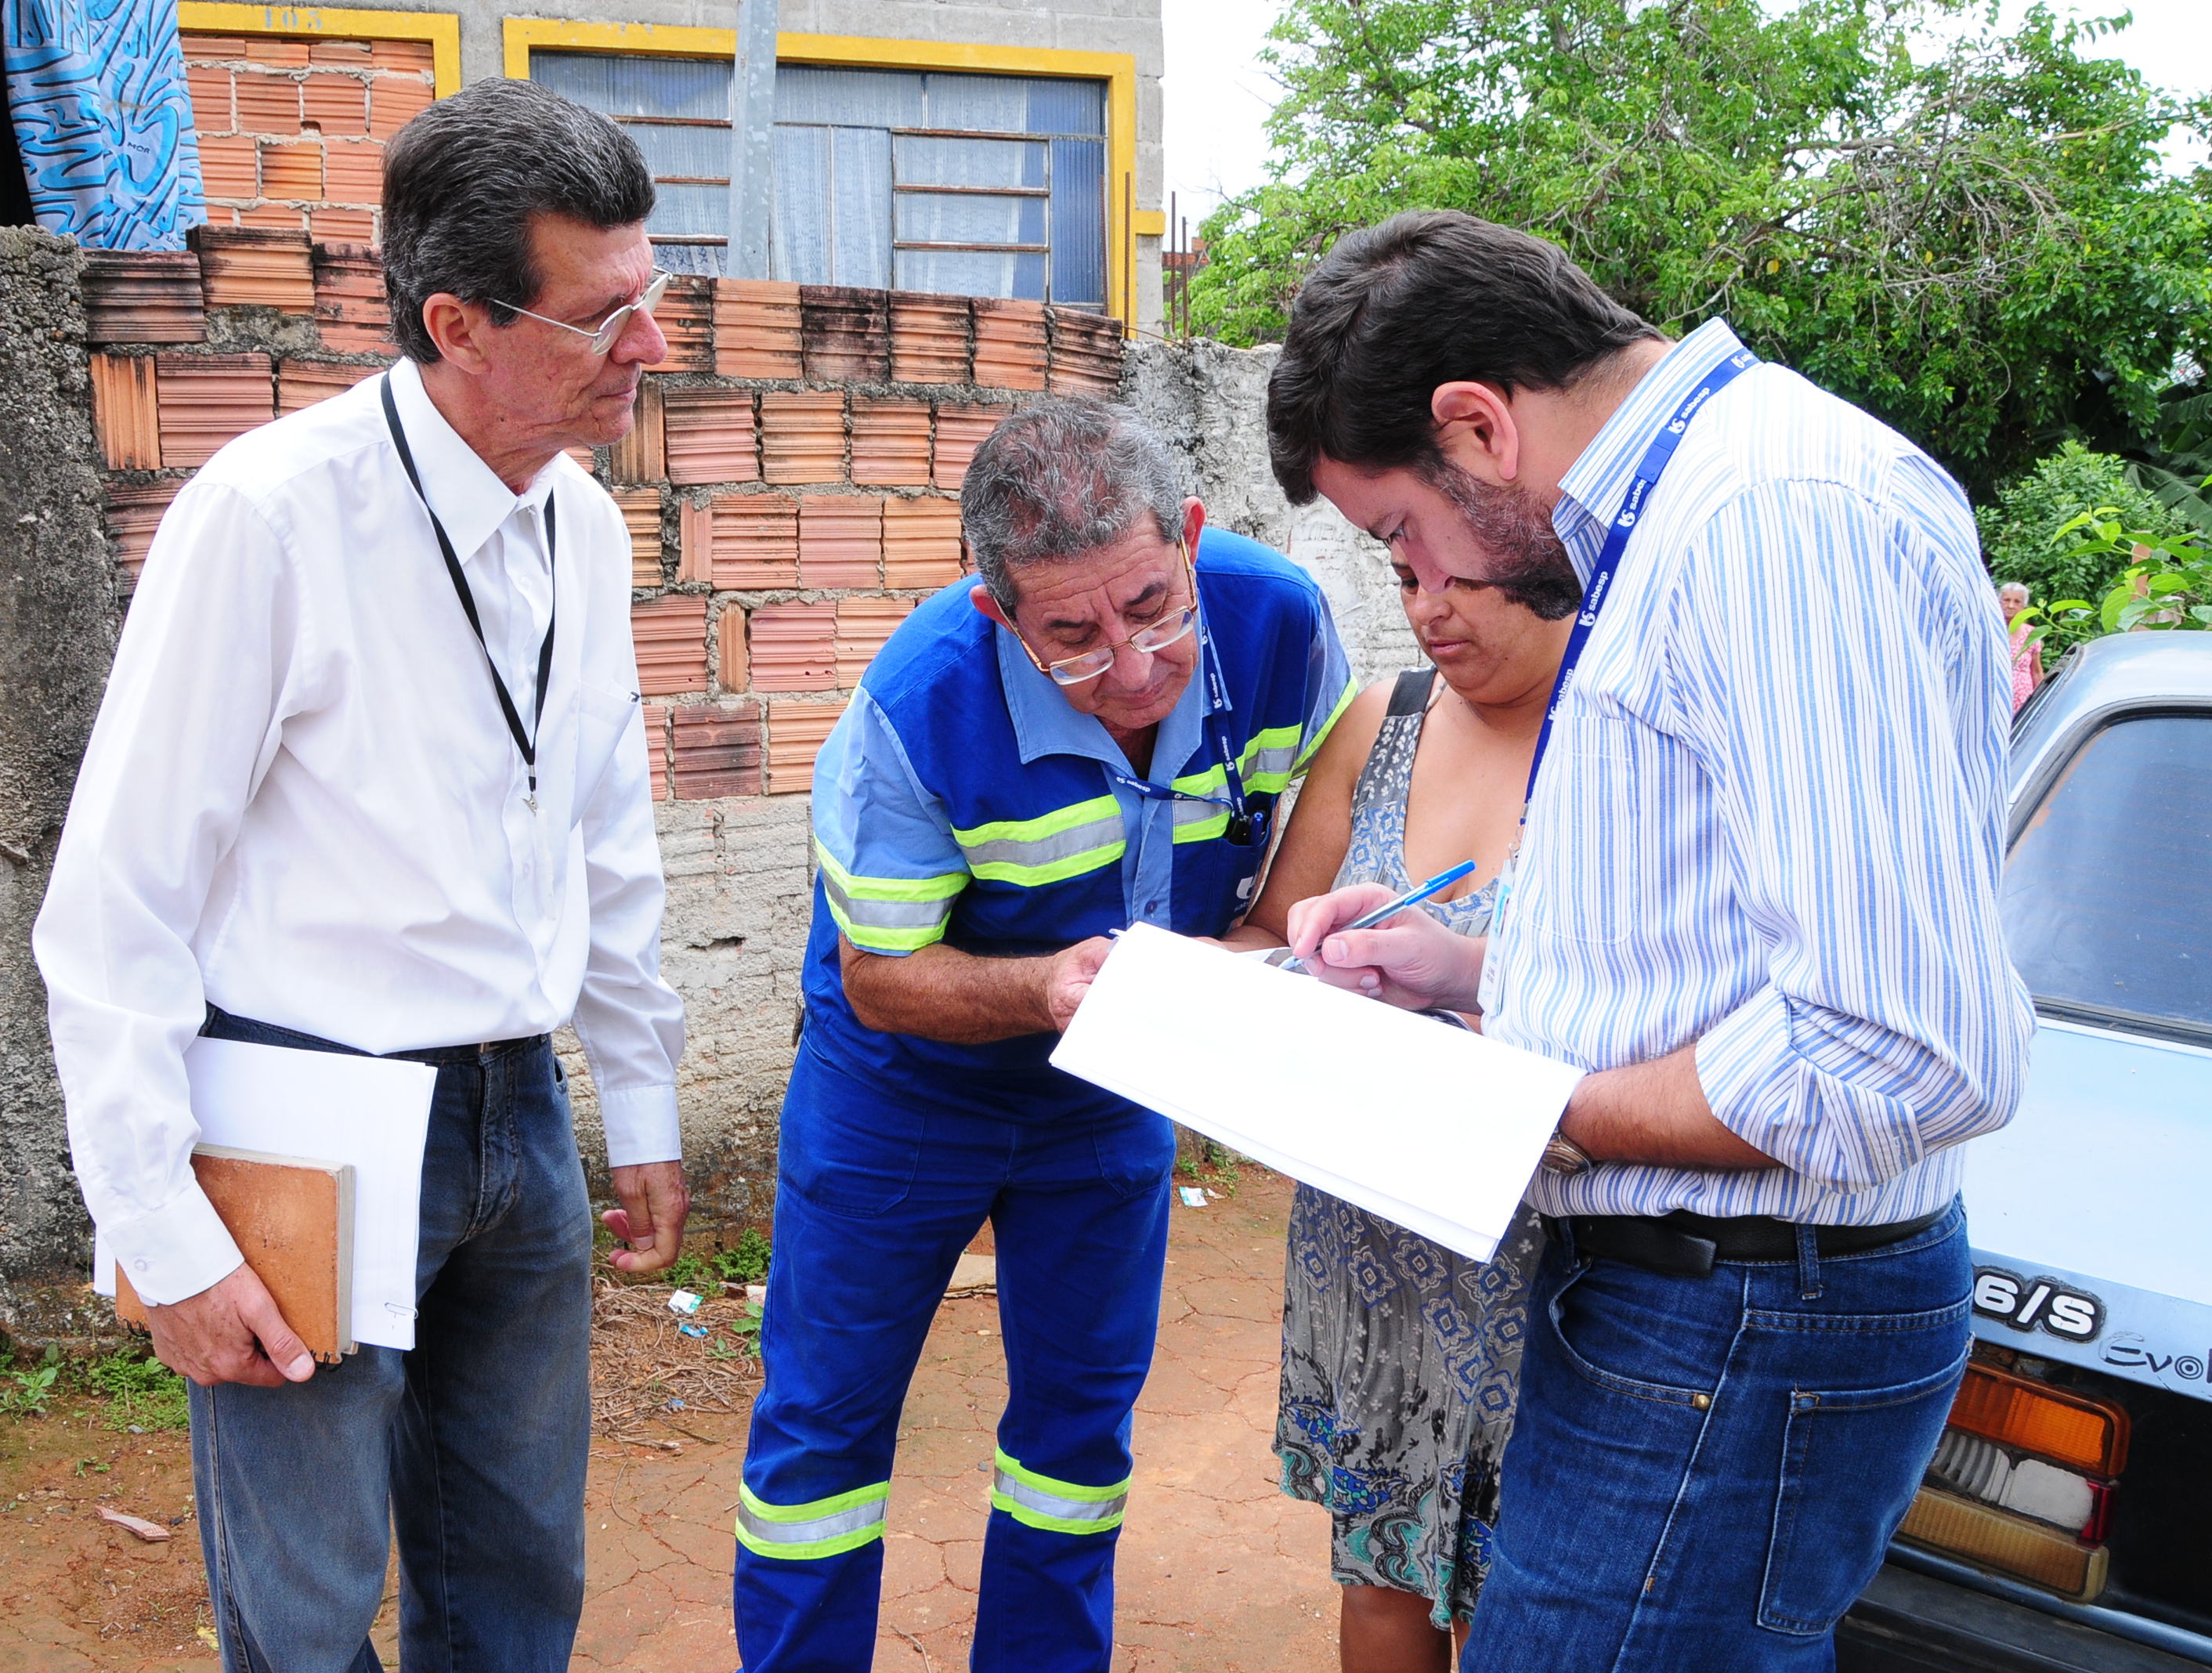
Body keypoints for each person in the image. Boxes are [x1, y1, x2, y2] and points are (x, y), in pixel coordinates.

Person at [1266, 211, 2033, 1672]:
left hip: (1742, 1306)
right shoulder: (1690, 515)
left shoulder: (1770, 517)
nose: (1416, 577)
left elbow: (1895, 1044)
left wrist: (1528, 1104)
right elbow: (1746, 936)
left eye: (1399, 532)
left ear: (1476, 425)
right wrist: (1483, 975)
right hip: (1694, 1295)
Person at [32, 79, 690, 1673]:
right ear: (458, 323)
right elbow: (115, 903)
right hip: (301, 1116)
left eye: (656, 295)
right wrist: (161, 1231)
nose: (653, 346)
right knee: (309, 1599)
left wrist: (639, 1098)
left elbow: (602, 830)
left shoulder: (583, 532)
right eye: (605, 316)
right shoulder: (266, 518)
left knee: (519, 1569)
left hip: (514, 1119)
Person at [732, 398, 1356, 1673]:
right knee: (824, 1434)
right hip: (904, 1085)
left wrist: (1230, 969)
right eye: (1069, 636)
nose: (1128, 667)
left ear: (1188, 536)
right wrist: (1047, 992)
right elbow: (882, 978)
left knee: (1076, 1437)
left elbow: (1319, 839)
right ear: (996, 612)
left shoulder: (1280, 621)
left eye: (1150, 608)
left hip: (1117, 1077)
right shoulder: (917, 704)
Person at [1220, 528, 1574, 1668]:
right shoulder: (1385, 721)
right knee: (1380, 1571)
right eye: (1408, 580)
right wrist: (1284, 976)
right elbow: (1269, 932)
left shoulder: (1619, 741)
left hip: (1551, 1251)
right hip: (1375, 1240)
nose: (1431, 610)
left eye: (1462, 581)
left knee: (1519, 1595)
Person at [1998, 580, 2043, 711]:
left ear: (2024, 606)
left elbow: (2036, 671)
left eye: (2017, 602)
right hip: (1996, 695)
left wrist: (2041, 700)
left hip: (2022, 701)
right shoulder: (1992, 632)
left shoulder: (2031, 634)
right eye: (2006, 600)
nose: (2011, 606)